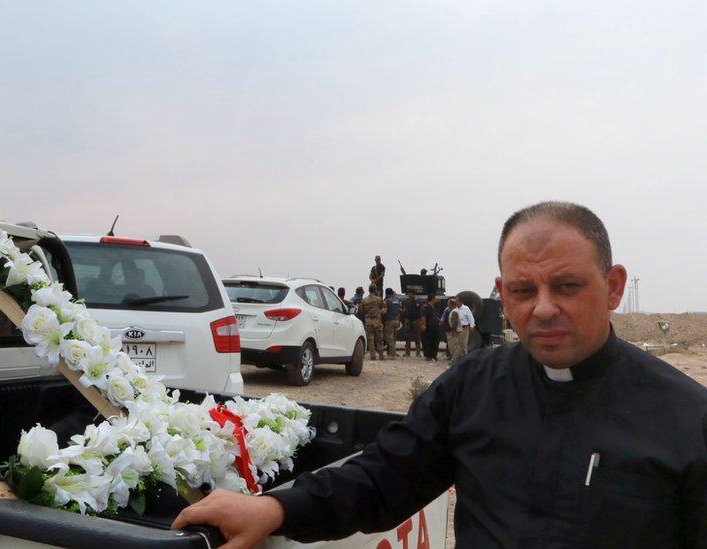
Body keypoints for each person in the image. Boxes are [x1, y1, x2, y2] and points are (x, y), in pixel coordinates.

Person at [172, 201, 707, 547]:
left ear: (613, 286)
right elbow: (384, 477)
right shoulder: (473, 387)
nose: (542, 308)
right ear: (502, 291)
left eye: (566, 286)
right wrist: (274, 507)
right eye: (523, 291)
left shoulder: (687, 419)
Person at [358, 285, 385, 361]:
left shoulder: (364, 300)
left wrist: (367, 313)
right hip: (377, 321)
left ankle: (373, 355)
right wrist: (379, 312)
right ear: (375, 290)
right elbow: (384, 308)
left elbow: (361, 310)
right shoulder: (379, 299)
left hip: (368, 321)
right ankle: (381, 355)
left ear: (369, 290)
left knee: (370, 339)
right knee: (379, 338)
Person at [402, 290, 423, 357]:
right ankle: (407, 352)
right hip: (408, 321)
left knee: (417, 337)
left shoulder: (418, 303)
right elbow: (404, 312)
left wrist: (419, 321)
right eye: (409, 294)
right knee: (407, 338)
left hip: (416, 321)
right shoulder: (406, 303)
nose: (410, 295)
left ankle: (418, 353)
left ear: (414, 295)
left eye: (411, 294)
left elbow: (421, 312)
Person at [382, 288, 401, 358]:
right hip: (397, 321)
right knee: (394, 337)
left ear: (386, 293)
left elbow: (384, 311)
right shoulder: (397, 300)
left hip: (389, 321)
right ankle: (391, 353)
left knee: (389, 338)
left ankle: (393, 354)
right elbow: (400, 309)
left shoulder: (387, 301)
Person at [421, 294, 440, 361]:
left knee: (435, 341)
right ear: (432, 299)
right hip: (429, 327)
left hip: (435, 327)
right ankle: (428, 355)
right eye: (435, 298)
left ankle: (434, 355)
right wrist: (424, 325)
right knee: (428, 341)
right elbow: (423, 317)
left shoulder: (433, 307)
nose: (436, 300)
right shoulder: (425, 307)